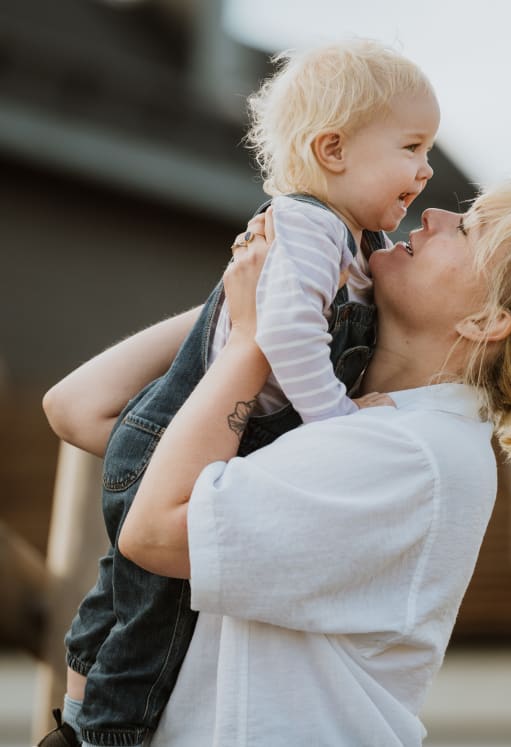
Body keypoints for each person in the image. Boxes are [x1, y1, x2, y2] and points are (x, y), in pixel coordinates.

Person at [47, 177, 511, 745]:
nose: (435, 215)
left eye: (470, 230)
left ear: (486, 322)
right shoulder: (338, 406)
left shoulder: (413, 452)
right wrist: (271, 298)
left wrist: (256, 335)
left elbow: (154, 533)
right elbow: (81, 407)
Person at [37, 38, 439, 747]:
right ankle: (104, 733)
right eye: (411, 146)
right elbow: (283, 334)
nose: (427, 169)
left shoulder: (349, 239)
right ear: (334, 150)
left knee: (126, 596)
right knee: (158, 622)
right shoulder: (308, 229)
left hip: (184, 439)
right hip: (176, 444)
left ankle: (72, 706)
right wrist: (336, 421)